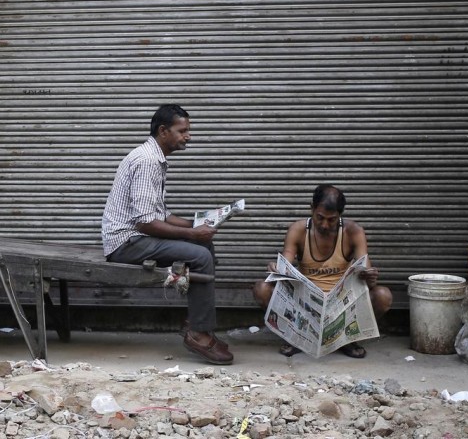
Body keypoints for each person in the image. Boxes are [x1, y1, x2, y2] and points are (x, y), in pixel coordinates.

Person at [102, 104, 233, 365]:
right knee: (200, 255)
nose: (188, 136)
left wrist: (196, 225)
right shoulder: (148, 161)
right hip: (126, 242)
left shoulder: (155, 158)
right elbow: (145, 223)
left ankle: (197, 321)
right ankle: (198, 333)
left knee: (205, 247)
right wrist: (192, 235)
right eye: (182, 131)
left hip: (137, 236)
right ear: (163, 131)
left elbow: (160, 215)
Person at [252, 184, 393, 358]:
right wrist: (277, 268)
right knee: (262, 289)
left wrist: (369, 276)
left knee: (383, 296)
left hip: (340, 307)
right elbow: (286, 261)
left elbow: (368, 278)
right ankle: (296, 336)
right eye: (320, 217)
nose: (325, 225)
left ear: (340, 215)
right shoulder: (298, 230)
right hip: (305, 307)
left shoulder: (353, 232)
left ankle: (347, 339)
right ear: (311, 209)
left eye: (331, 219)